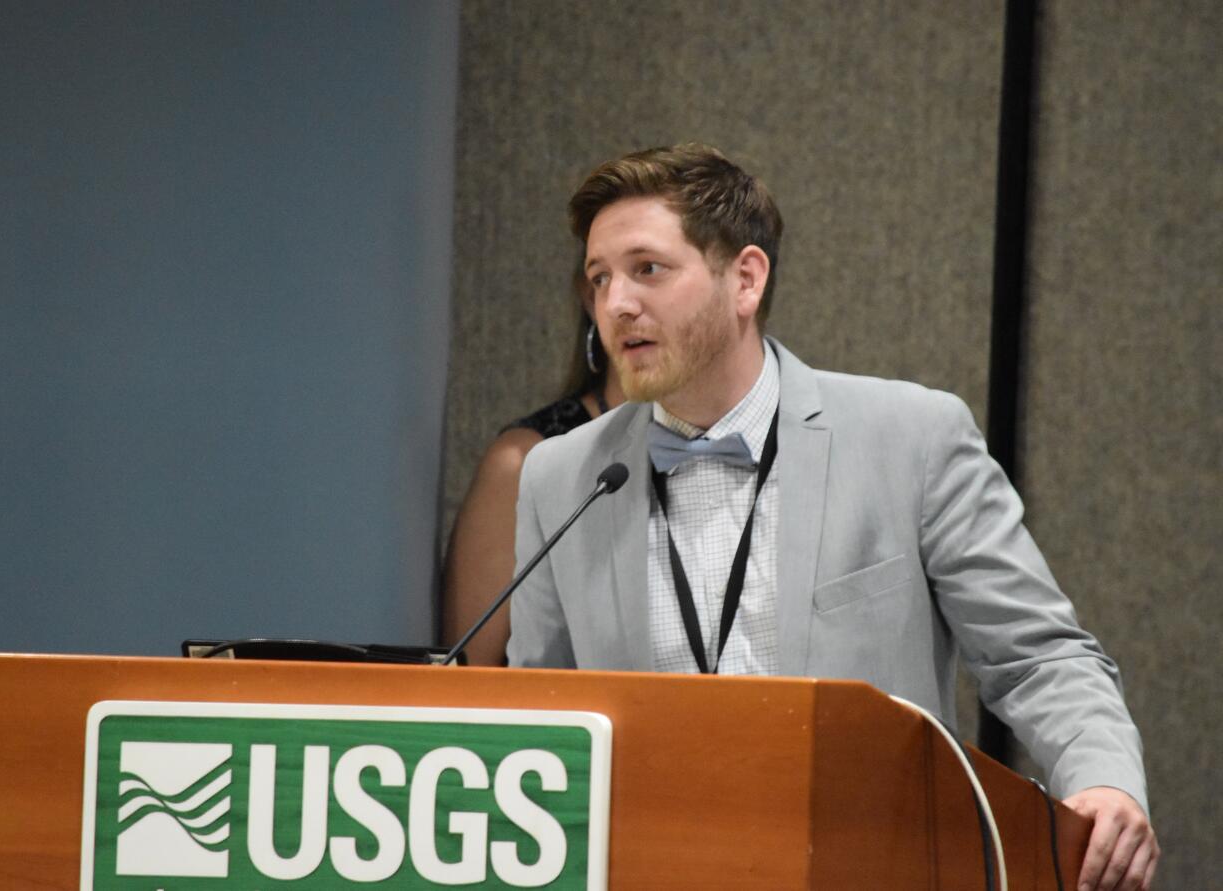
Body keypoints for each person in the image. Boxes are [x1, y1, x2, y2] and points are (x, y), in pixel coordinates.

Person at [506, 144, 1158, 890]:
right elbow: (540, 717)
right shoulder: (561, 476)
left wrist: (1105, 779)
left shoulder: (910, 437)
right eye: (599, 278)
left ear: (745, 279)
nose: (615, 303)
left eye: (647, 269)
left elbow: (1039, 656)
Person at [442, 267, 624, 666]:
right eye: (604, 277)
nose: (627, 301)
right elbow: (470, 681)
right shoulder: (524, 463)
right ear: (587, 297)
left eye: (651, 271)